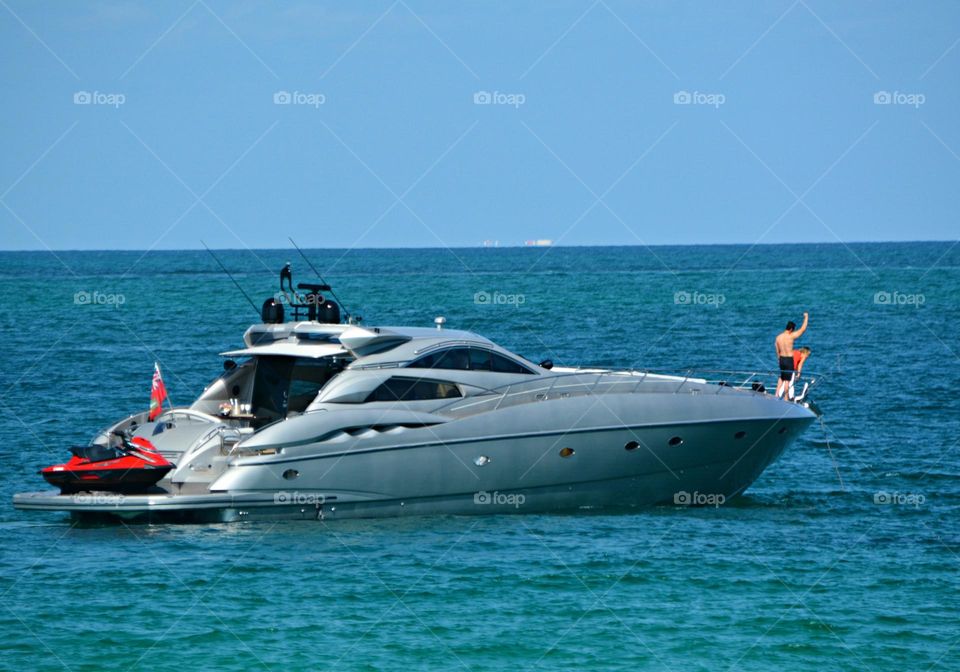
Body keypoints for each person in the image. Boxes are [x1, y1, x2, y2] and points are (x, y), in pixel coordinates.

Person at [775, 312, 809, 399]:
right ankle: (786, 397)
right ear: (791, 329)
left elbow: (777, 350)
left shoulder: (778, 337)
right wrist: (806, 317)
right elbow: (803, 329)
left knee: (781, 377)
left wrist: (778, 359)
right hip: (789, 359)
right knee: (787, 380)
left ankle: (776, 393)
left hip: (781, 359)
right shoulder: (791, 336)